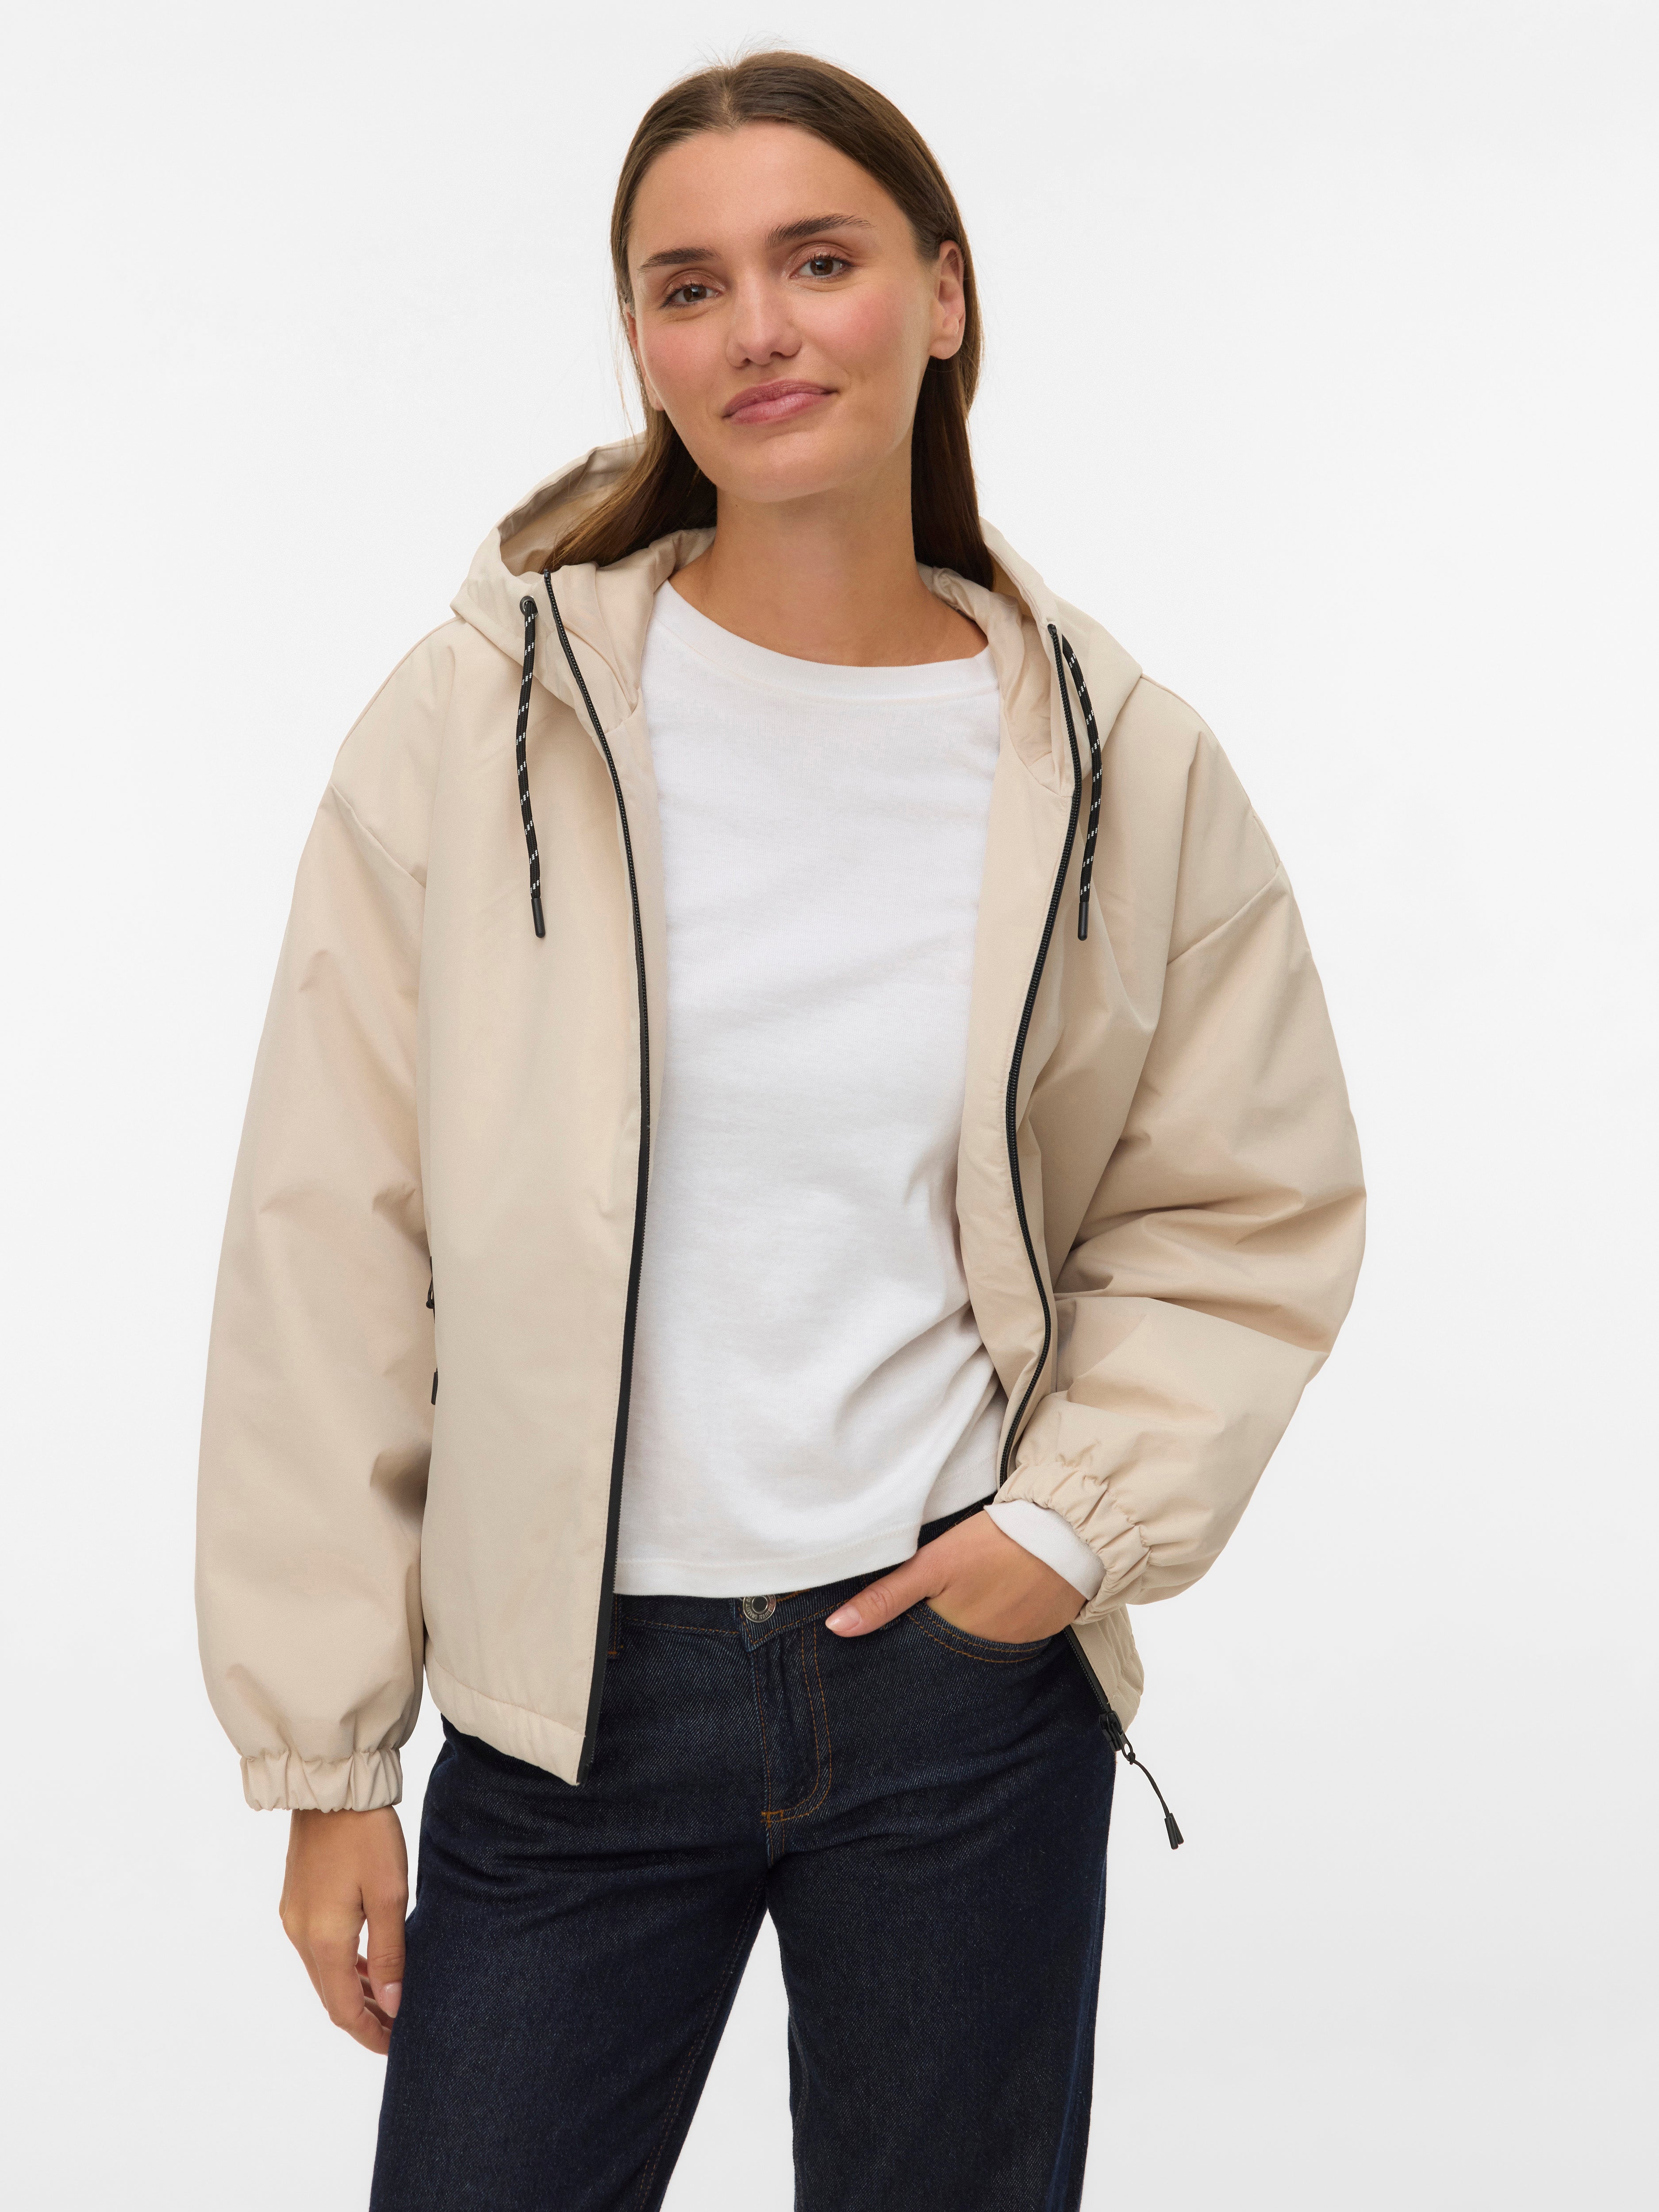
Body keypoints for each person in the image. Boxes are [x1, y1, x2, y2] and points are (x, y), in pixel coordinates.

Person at [196, 50, 1365, 2212]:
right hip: (568, 1700)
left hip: (955, 1691)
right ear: (639, 340)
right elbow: (329, 1236)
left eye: (817, 261)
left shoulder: (1114, 760)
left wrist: (1061, 1534)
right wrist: (326, 1752)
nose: (756, 329)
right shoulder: (481, 719)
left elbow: (1237, 1201)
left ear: (942, 295)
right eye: (687, 284)